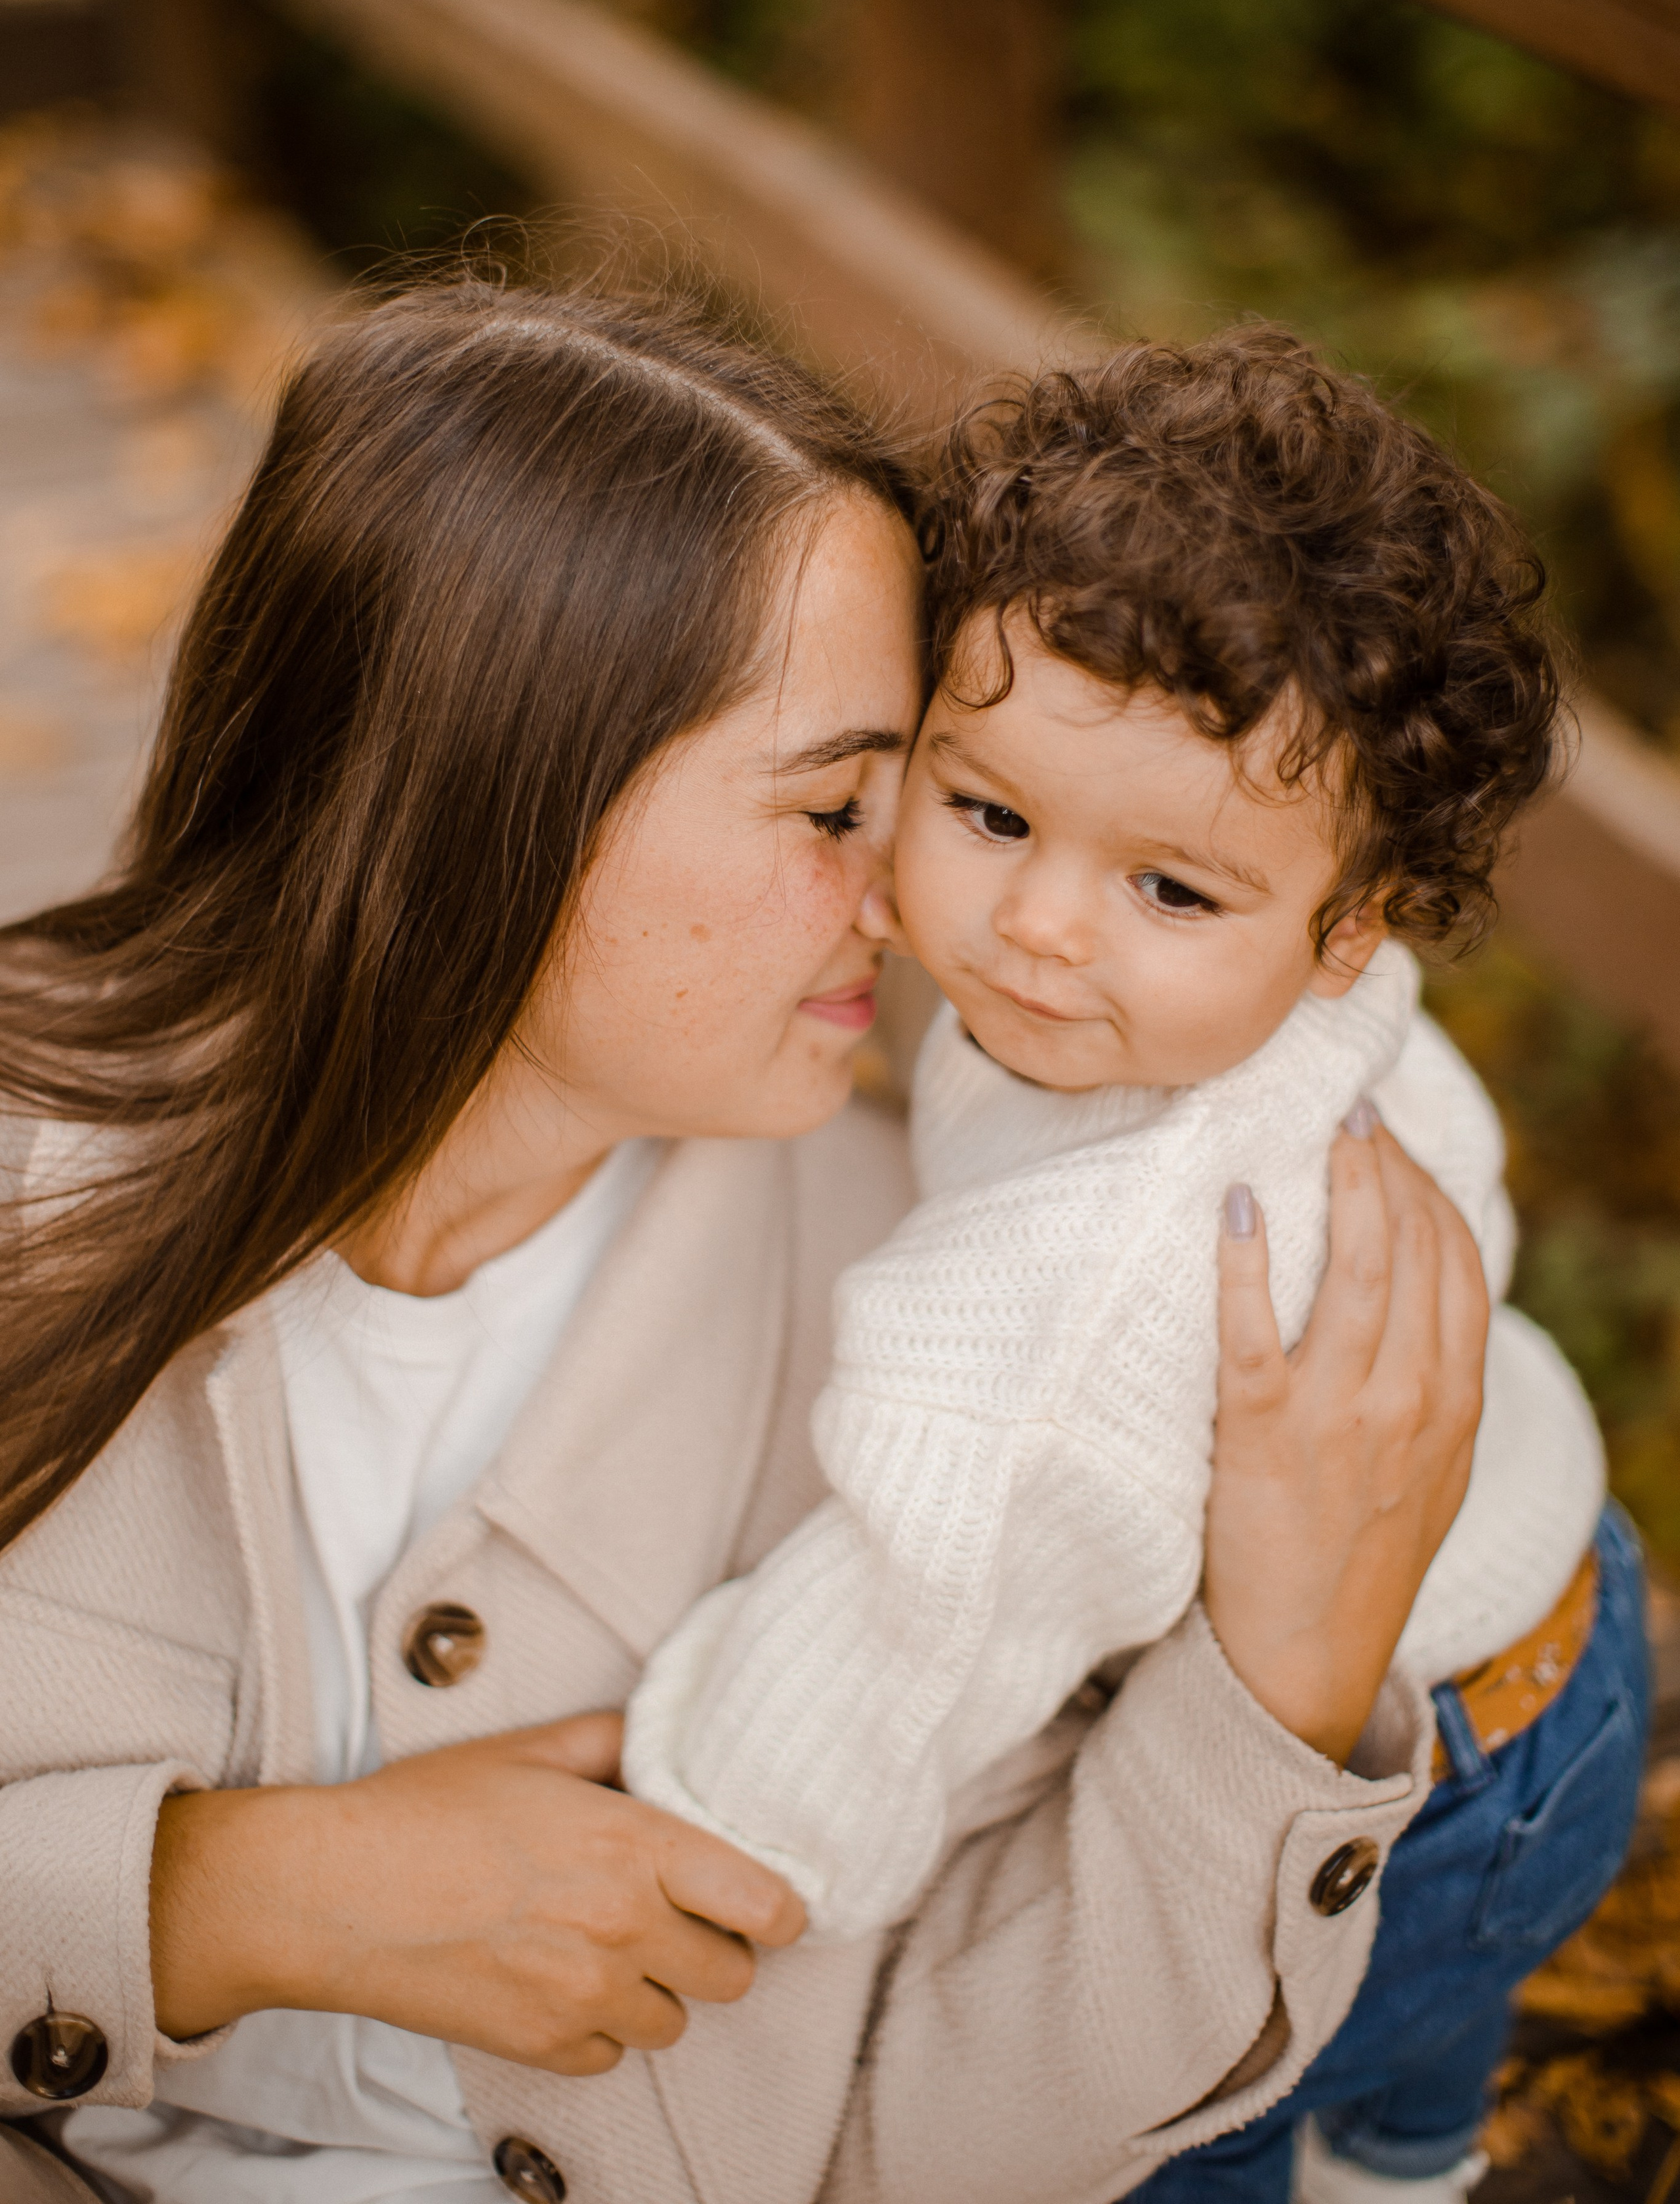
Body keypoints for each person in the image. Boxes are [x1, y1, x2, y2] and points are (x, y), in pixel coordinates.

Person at [0, 280, 1487, 2204]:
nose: (921, 908)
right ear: (489, 792)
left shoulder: (931, 1337)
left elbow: (935, 2137)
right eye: (841, 804)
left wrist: (1280, 1686)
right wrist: (219, 1896)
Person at [623, 329, 1647, 2203]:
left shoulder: (1080, 1295)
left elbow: (911, 1642)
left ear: (1352, 930)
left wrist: (689, 1809)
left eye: (1168, 891)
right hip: (1570, 1620)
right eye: (991, 811)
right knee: (1416, 2081)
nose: (1033, 927)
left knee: (1194, 2112)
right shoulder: (1280, 986)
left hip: (1410, 1796)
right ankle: (1418, 2159)